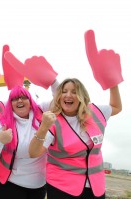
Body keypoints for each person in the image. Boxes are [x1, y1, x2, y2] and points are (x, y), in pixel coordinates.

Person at [29, 30, 123, 199]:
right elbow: (34, 152)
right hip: (62, 187)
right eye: (64, 91)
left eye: (74, 92)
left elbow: (116, 107)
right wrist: (43, 128)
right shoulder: (53, 120)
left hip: (95, 187)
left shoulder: (96, 112)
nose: (68, 95)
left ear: (81, 96)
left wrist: (112, 82)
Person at [0, 85, 48, 199]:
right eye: (14, 99)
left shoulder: (42, 119)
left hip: (39, 182)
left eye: (23, 97)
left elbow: (60, 99)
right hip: (11, 182)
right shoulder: (1, 124)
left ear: (30, 101)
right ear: (10, 104)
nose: (19, 101)